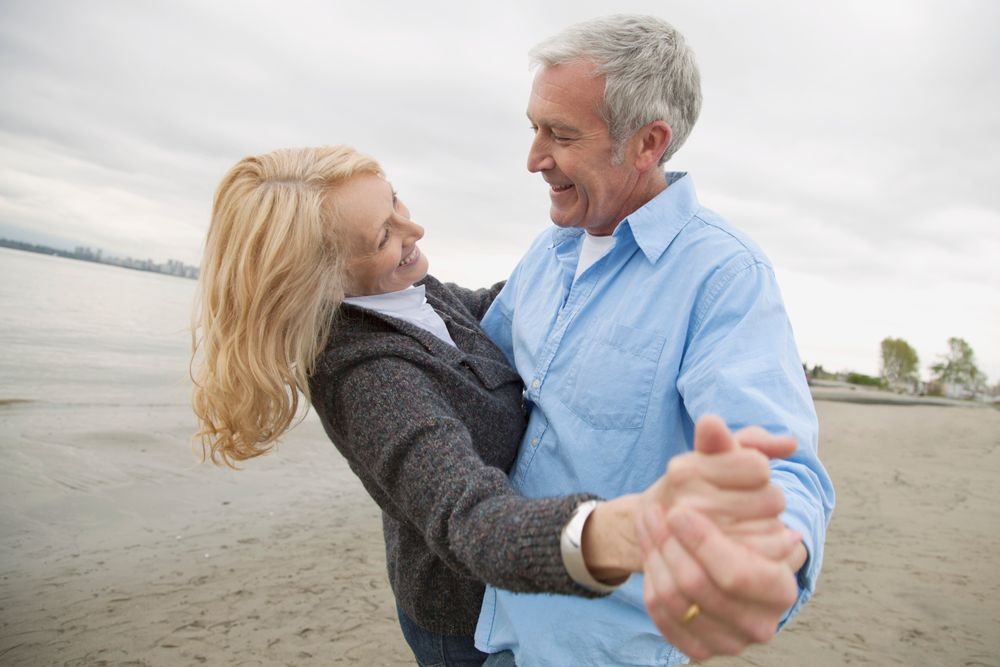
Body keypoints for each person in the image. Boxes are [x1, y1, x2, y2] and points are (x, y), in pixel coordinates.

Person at [190, 146, 801, 666]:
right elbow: (470, 520)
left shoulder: (408, 293)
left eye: (397, 203)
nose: (414, 231)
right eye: (385, 236)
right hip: (464, 618)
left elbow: (495, 311)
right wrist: (619, 533)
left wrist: (629, 281)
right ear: (322, 280)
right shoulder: (368, 376)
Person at [472, 14, 836, 666]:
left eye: (560, 134)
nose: (533, 159)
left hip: (602, 649)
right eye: (534, 127)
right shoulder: (546, 253)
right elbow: (481, 374)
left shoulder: (723, 276)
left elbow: (780, 469)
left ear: (648, 143)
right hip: (494, 627)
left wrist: (764, 555)